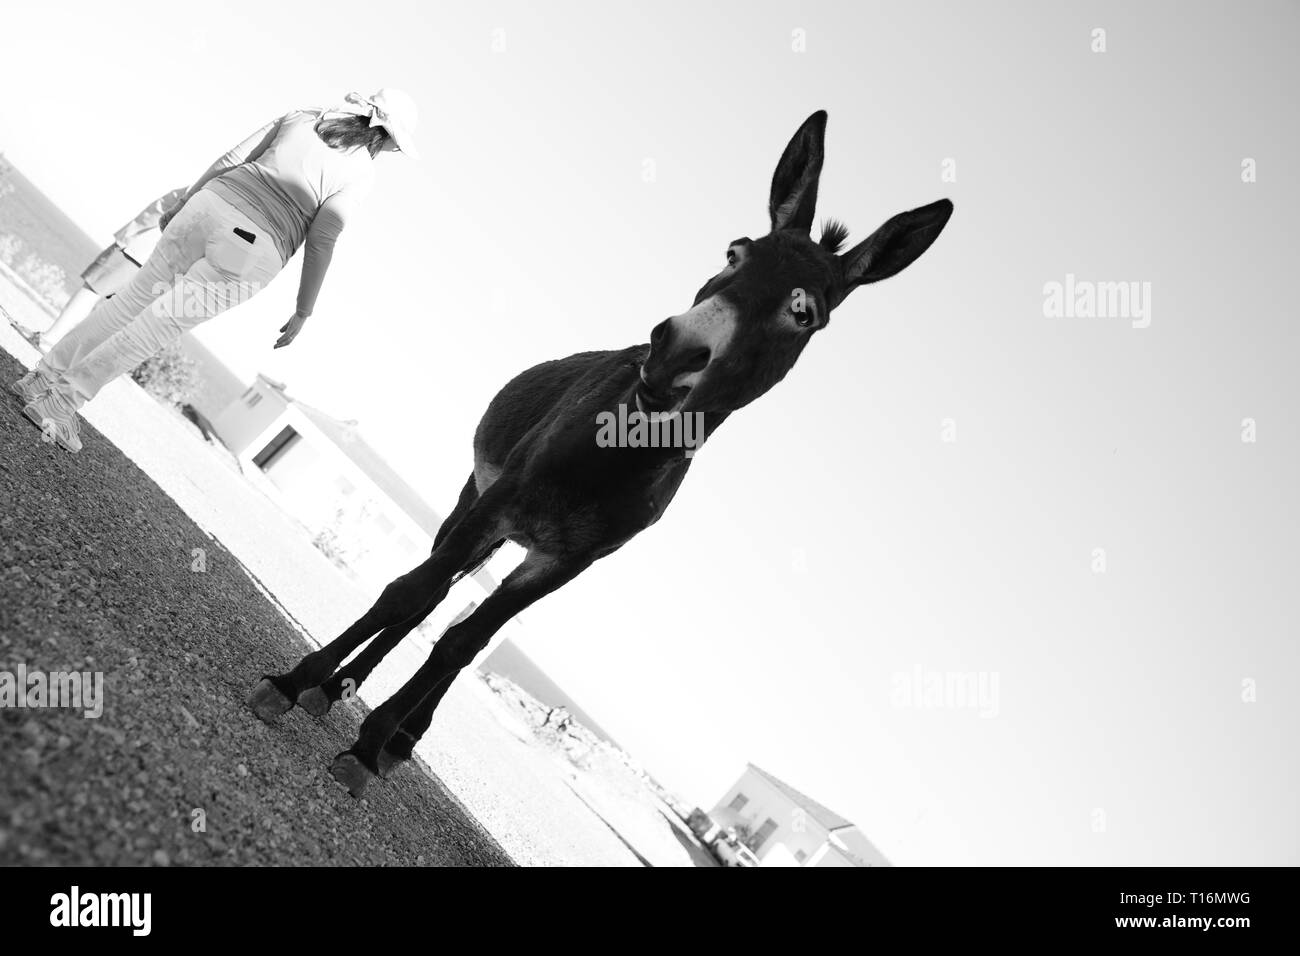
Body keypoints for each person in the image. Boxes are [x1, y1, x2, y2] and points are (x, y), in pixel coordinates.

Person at [10, 88, 418, 453]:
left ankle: (43, 379)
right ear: (389, 142)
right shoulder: (362, 172)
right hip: (247, 250)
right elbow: (323, 237)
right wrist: (304, 309)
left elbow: (231, 159)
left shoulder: (305, 116)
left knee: (130, 302)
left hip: (206, 207)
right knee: (155, 326)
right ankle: (60, 403)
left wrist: (184, 203)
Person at [39, 187, 188, 351]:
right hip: (154, 258)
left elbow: (165, 208)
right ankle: (57, 345)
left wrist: (130, 234)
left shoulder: (205, 185)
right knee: (108, 309)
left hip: (139, 246)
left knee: (91, 290)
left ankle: (49, 339)